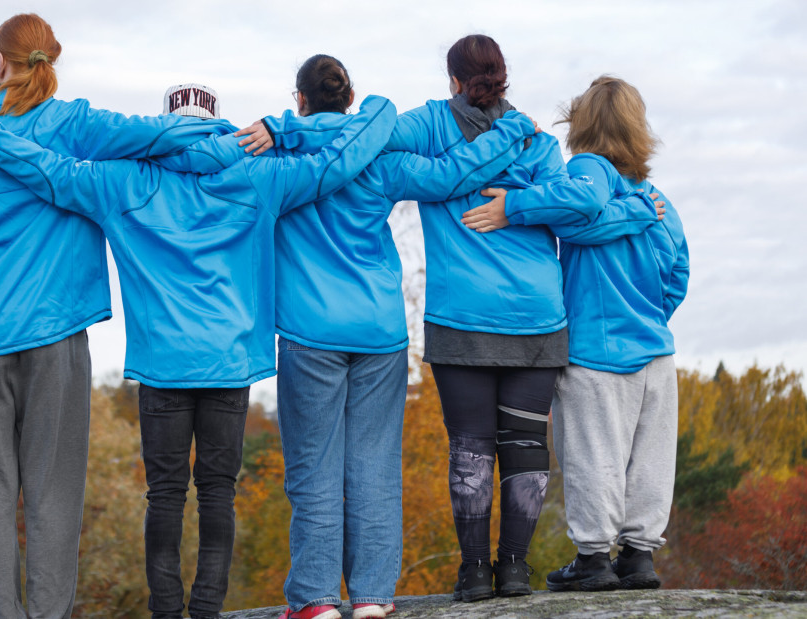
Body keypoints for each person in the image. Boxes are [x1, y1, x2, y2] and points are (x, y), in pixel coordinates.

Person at [0, 85, 398, 619]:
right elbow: (334, 167)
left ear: (166, 123)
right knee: (217, 495)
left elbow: (48, 170)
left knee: (164, 496)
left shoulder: (125, 181)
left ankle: (166, 611)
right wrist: (341, 116)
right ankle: (207, 610)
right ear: (218, 122)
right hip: (228, 365)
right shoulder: (259, 175)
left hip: (161, 366)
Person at [0, 14, 237, 619]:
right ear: (49, 65)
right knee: (54, 498)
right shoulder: (75, 126)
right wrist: (235, 130)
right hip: (57, 338)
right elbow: (158, 135)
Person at [234, 54, 538, 619]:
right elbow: (456, 173)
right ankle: (374, 597)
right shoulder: (378, 156)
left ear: (298, 101)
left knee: (314, 469)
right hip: (379, 331)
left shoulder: (279, 153)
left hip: (310, 331)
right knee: (375, 467)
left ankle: (317, 602)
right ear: (351, 101)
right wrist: (514, 129)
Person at [384, 35, 658, 602]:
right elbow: (576, 203)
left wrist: (454, 180)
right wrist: (521, 195)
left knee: (471, 446)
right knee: (526, 444)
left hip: (460, 313)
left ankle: (475, 573)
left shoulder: (430, 125)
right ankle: (514, 571)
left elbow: (380, 147)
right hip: (537, 314)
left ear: (454, 80)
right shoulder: (534, 140)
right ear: (503, 80)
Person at [486, 76, 688, 592]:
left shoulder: (584, 171)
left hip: (596, 351)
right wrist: (647, 314)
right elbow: (677, 274)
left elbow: (574, 221)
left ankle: (595, 559)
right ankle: (639, 556)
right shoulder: (655, 197)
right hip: (655, 352)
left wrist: (513, 205)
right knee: (651, 459)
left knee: (593, 455)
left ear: (582, 123)